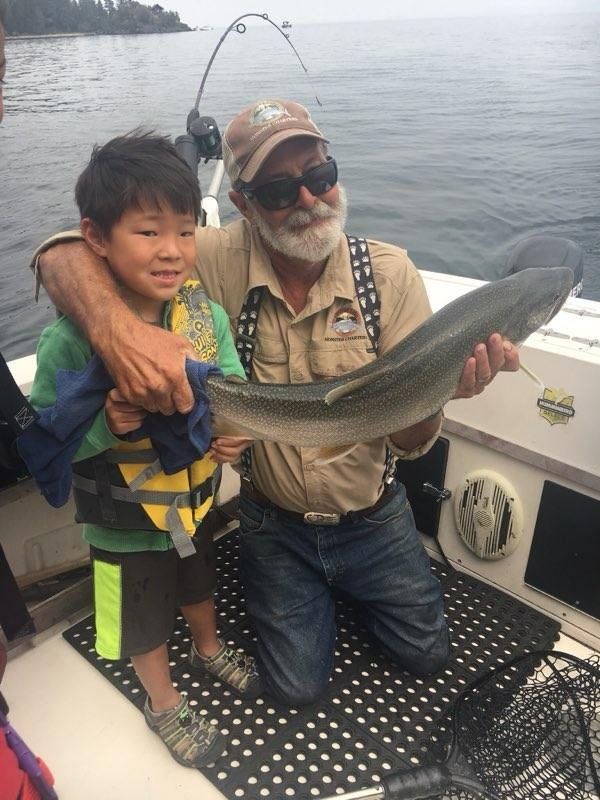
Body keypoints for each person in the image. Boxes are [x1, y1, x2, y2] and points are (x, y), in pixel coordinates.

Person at [32, 98, 520, 706]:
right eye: (280, 190)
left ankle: (339, 591)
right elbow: (64, 254)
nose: (309, 199)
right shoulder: (208, 256)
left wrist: (443, 388)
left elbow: (410, 441)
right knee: (294, 687)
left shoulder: (389, 274)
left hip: (375, 517)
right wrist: (118, 333)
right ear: (243, 204)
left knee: (428, 654)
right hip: (271, 523)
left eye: (320, 175)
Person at [28, 131, 261, 769]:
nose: (171, 250)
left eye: (185, 231)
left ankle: (209, 649)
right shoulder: (69, 342)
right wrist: (106, 423)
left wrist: (234, 432)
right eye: (148, 232)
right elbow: (49, 437)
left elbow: (233, 385)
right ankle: (162, 702)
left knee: (199, 585)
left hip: (194, 506)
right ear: (95, 237)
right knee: (138, 621)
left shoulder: (204, 318)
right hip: (123, 528)